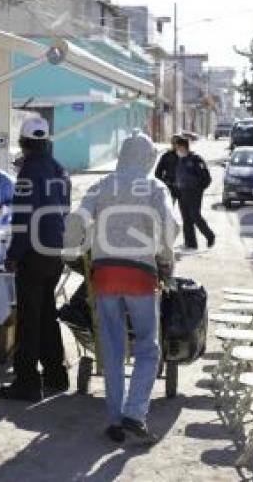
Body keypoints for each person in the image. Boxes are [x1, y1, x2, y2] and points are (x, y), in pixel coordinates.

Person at [64, 131, 178, 445]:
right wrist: (166, 259)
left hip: (104, 275)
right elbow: (169, 226)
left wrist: (72, 246)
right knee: (147, 348)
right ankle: (135, 413)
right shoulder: (155, 187)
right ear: (148, 158)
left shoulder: (101, 185)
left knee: (111, 348)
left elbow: (79, 218)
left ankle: (114, 419)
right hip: (140, 275)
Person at [0, 116, 71, 402]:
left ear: (24, 143)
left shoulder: (29, 172)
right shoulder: (59, 169)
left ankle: (27, 382)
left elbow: (24, 218)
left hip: (34, 253)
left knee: (29, 318)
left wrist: (14, 254)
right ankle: (56, 374)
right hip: (55, 250)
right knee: (46, 313)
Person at [175, 136, 215, 249]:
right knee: (186, 218)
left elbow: (206, 178)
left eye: (178, 147)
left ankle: (210, 236)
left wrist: (198, 189)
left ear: (184, 147)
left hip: (194, 193)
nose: (177, 150)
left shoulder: (196, 160)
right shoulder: (181, 160)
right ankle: (191, 243)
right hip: (182, 192)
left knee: (195, 216)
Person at [155, 135, 182, 202]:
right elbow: (158, 173)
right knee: (169, 210)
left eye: (177, 142)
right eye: (173, 143)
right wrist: (164, 183)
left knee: (186, 211)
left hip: (183, 188)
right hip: (170, 187)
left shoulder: (187, 156)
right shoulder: (166, 156)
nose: (174, 144)